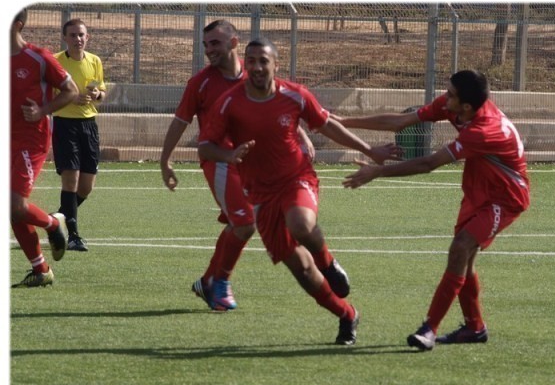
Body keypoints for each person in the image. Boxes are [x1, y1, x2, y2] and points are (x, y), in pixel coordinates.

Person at [198, 37, 402, 344]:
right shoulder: (229, 102)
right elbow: (205, 146)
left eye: (263, 61)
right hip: (261, 195)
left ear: (275, 65)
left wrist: (369, 150)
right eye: (251, 61)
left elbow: (327, 124)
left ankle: (328, 263)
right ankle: (347, 315)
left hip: (297, 178)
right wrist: (228, 155)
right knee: (302, 272)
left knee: (301, 224)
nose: (256, 67)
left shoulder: (295, 95)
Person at [339, 69, 530, 351]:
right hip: (478, 190)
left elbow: (428, 163)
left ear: (467, 106)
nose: (444, 97)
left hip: (505, 197)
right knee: (465, 260)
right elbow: (401, 121)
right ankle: (475, 327)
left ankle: (429, 329)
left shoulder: (483, 130)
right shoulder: (455, 106)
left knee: (460, 248)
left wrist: (378, 172)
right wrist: (342, 122)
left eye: (450, 94)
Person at [161, 20, 316, 312]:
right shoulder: (201, 83)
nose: (209, 50)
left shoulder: (255, 70)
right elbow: (180, 121)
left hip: (254, 163)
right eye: (206, 45)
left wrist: (302, 135)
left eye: (215, 43)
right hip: (220, 160)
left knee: (241, 224)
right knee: (244, 223)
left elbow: (278, 104)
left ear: (234, 43)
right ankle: (220, 282)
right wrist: (165, 160)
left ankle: (208, 281)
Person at [11, 9, 79, 288]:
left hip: (31, 140)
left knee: (14, 204)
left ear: (17, 24)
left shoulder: (38, 57)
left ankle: (52, 223)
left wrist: (42, 110)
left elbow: (71, 90)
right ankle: (41, 270)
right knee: (13, 209)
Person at [53, 18, 107, 252]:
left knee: (86, 187)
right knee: (71, 179)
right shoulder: (55, 62)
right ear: (65, 38)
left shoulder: (95, 61)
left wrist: (97, 95)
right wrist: (70, 98)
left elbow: (102, 91)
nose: (78, 39)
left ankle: (56, 220)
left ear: (88, 37)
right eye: (73, 35)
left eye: (81, 35)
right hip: (65, 125)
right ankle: (73, 236)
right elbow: (46, 94)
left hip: (89, 126)